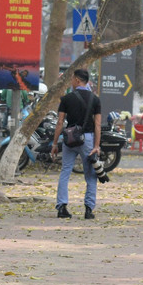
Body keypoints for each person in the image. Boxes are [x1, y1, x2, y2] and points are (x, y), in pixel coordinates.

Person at [50, 68, 102, 220]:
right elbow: (97, 125)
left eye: (72, 79)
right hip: (88, 139)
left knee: (65, 171)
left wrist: (54, 143)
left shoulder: (67, 99)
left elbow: (60, 122)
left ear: (78, 80)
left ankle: (61, 207)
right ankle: (88, 209)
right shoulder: (95, 99)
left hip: (70, 139)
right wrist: (96, 146)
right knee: (90, 174)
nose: (71, 82)